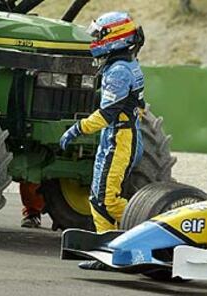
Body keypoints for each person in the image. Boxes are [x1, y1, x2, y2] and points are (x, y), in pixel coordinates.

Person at [59, 11, 146, 270]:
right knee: (97, 199)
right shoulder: (121, 64)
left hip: (120, 137)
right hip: (116, 136)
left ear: (114, 38)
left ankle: (149, 221)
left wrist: (76, 129)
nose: (94, 40)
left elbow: (106, 115)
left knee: (108, 199)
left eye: (98, 35)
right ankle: (106, 253)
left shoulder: (119, 70)